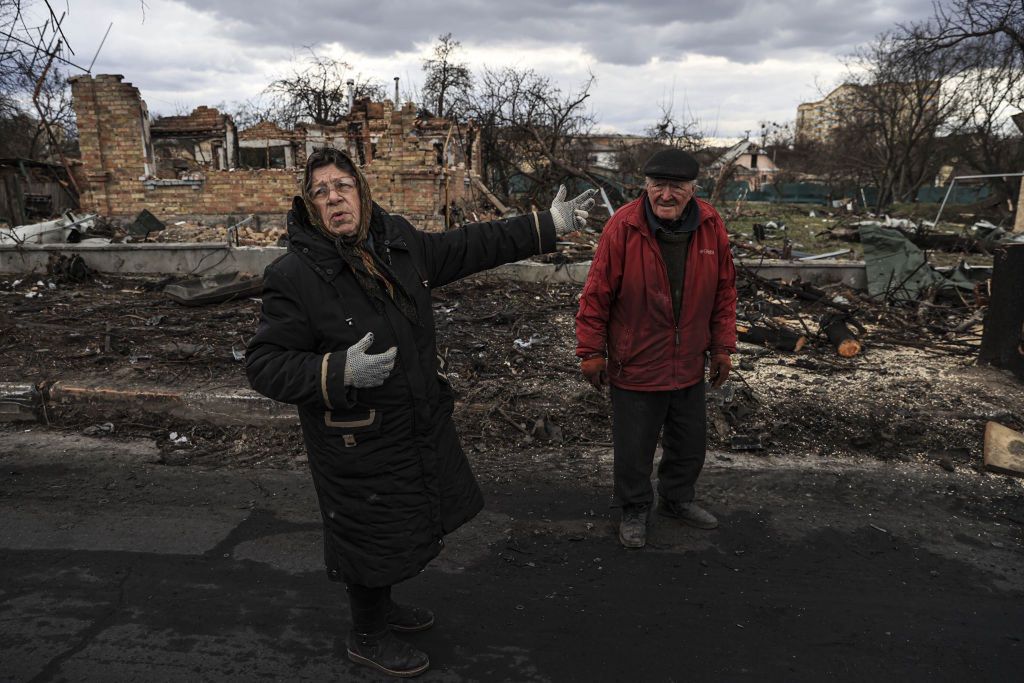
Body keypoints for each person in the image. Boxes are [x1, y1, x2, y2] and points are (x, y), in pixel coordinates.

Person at [245, 146, 595, 678]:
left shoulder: (396, 242)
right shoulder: (294, 275)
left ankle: (383, 609)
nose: (334, 197)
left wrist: (547, 223)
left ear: (361, 191)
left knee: (402, 522)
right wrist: (335, 372)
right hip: (354, 437)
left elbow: (470, 245)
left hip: (412, 420)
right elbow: (265, 365)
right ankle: (368, 635)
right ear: (310, 207)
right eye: (320, 192)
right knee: (368, 532)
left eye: (342, 185)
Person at [575, 147, 737, 549]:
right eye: (658, 185)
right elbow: (596, 294)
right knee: (634, 447)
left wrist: (722, 348)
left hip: (688, 360)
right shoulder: (623, 227)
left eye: (676, 186)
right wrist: (590, 352)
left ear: (692, 189)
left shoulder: (711, 225)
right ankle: (633, 509)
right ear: (645, 186)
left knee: (689, 443)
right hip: (636, 359)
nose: (666, 194)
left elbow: (724, 291)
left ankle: (676, 500)